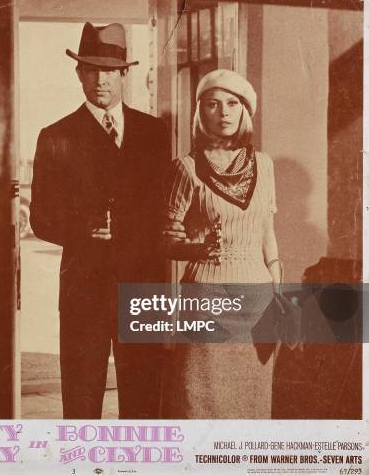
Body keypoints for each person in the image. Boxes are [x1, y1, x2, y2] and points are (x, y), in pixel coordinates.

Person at [30, 22, 173, 419]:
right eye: (91, 69)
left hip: (143, 284)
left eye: (110, 71)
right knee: (81, 397)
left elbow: (164, 207)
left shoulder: (154, 133)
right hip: (83, 289)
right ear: (78, 73)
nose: (100, 80)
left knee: (144, 393)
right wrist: (83, 227)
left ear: (124, 74)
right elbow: (40, 218)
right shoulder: (55, 135)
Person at [162, 69, 281, 418]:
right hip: (206, 296)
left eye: (232, 103)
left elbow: (267, 234)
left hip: (258, 300)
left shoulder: (265, 165)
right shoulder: (185, 168)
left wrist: (279, 290)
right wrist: (197, 250)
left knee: (252, 405)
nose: (224, 112)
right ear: (201, 112)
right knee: (200, 403)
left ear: (245, 110)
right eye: (213, 104)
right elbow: (166, 242)